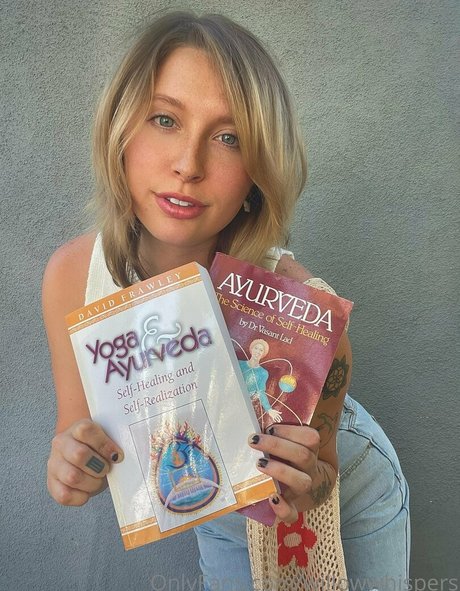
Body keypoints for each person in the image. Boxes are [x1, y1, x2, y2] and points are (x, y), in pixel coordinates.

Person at [43, 11, 410, 590]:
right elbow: (80, 435)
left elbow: (325, 472)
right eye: (165, 119)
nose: (188, 165)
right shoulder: (72, 277)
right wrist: (73, 467)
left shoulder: (300, 306)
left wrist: (305, 480)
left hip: (353, 487)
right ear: (120, 131)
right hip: (218, 497)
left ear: (255, 176)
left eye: (228, 137)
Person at [238, 339, 283, 425]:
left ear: (263, 354)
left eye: (261, 350)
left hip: (243, 405)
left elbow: (260, 392)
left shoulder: (263, 373)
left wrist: (269, 409)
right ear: (251, 349)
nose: (258, 351)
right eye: (256, 348)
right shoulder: (239, 363)